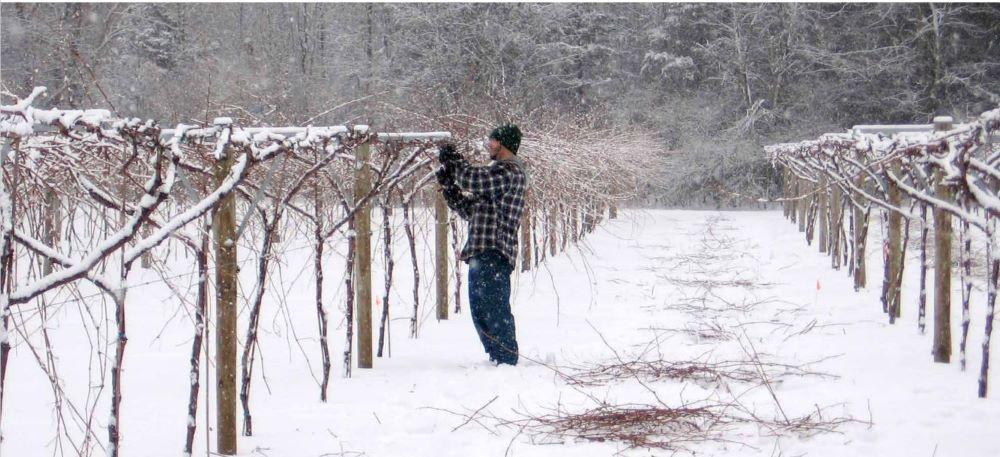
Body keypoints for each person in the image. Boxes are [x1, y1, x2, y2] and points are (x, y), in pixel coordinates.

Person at [436, 123, 528, 366]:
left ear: (505, 144)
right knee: (481, 312)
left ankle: (506, 360)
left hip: (495, 250)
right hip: (481, 251)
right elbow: (471, 210)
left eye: (494, 141)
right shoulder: (495, 174)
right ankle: (497, 358)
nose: (489, 144)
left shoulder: (509, 172)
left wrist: (456, 163)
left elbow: (473, 179)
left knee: (494, 310)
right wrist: (450, 188)